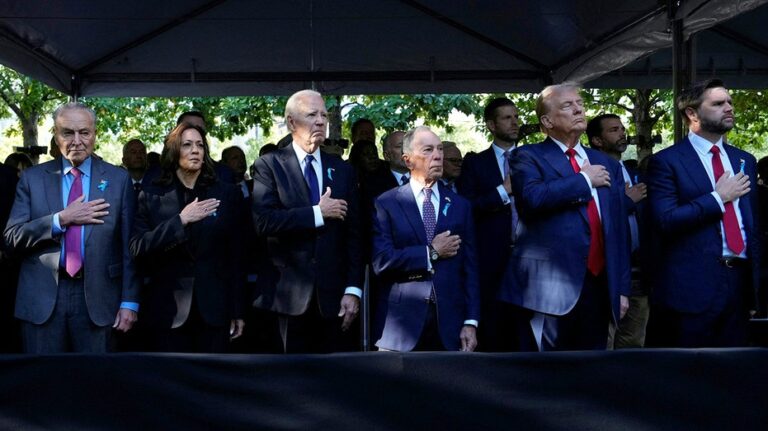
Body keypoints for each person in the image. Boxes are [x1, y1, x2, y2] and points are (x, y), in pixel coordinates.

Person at [501, 83, 630, 351]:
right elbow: (532, 199)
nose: (579, 108)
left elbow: (618, 231)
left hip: (600, 285)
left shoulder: (608, 164)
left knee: (591, 373)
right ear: (547, 121)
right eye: (567, 105)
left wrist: (621, 287)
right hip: (549, 289)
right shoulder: (527, 155)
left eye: (580, 103)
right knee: (548, 377)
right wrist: (584, 180)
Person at [4, 102, 139, 353]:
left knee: (94, 385)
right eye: (68, 132)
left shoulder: (118, 180)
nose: (77, 140)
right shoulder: (33, 179)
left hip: (99, 298)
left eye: (84, 132)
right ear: (56, 136)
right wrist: (60, 220)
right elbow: (11, 238)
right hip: (42, 299)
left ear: (94, 134)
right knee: (42, 385)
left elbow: (128, 246)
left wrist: (130, 301)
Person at [646, 78, 759, 347]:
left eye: (729, 101)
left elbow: (750, 225)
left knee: (734, 377)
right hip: (690, 290)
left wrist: (754, 290)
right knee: (690, 378)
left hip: (739, 286)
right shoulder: (667, 162)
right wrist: (717, 198)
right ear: (692, 113)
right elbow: (665, 220)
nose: (729, 107)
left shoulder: (745, 160)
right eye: (718, 103)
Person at [251, 89, 363, 353]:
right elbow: (263, 221)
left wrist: (353, 289)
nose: (321, 121)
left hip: (333, 298)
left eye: (324, 115)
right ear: (291, 122)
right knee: (288, 382)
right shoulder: (269, 165)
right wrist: (316, 213)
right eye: (312, 115)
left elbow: (355, 235)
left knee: (332, 383)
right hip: (285, 297)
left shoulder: (343, 170)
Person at [130, 123, 245, 353]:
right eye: (187, 145)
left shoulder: (226, 193)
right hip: (167, 311)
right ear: (174, 152)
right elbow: (137, 247)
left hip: (215, 310)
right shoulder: (151, 195)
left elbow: (236, 257)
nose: (195, 150)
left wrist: (237, 310)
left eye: (200, 145)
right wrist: (180, 221)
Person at [371, 126, 479, 352]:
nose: (438, 156)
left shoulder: (460, 205)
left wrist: (470, 321)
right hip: (401, 326)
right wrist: (430, 252)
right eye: (428, 150)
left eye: (439, 149)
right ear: (408, 160)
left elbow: (470, 268)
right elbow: (381, 261)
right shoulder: (387, 203)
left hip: (450, 325)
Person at [455, 97, 520, 351]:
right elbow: (467, 207)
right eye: (507, 118)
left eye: (516, 117)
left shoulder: (533, 158)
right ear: (492, 125)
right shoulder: (475, 163)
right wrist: (503, 191)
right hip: (492, 258)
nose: (514, 122)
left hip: (531, 255)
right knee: (494, 328)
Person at [587, 114, 650, 348]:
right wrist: (628, 202)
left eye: (623, 128)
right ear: (597, 140)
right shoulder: (593, 172)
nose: (622, 133)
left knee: (634, 342)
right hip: (608, 271)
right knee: (605, 341)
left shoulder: (631, 171)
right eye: (614, 130)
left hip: (637, 271)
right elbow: (597, 215)